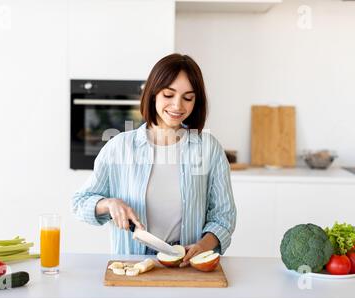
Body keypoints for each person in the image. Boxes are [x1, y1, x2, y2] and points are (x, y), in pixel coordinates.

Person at [73, 53, 236, 267]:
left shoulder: (208, 148)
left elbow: (224, 216)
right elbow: (79, 203)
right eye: (169, 95)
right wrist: (109, 203)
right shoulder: (119, 147)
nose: (178, 106)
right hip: (132, 265)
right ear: (153, 94)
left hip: (188, 266)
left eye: (188, 97)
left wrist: (203, 246)